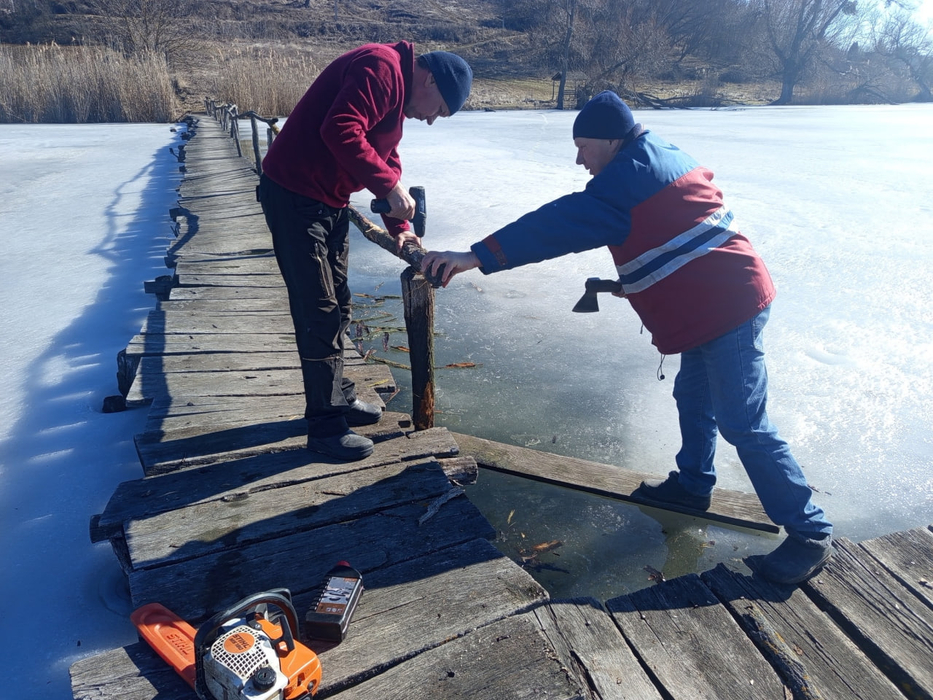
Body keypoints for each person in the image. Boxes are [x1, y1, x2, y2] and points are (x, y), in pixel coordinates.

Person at [421, 90, 833, 585]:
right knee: (693, 396)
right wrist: (635, 281)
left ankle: (809, 533)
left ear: (612, 141)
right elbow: (675, 228)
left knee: (744, 422)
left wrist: (476, 256)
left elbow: (556, 226)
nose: (579, 159)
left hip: (731, 307)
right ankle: (694, 486)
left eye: (584, 147)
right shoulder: (658, 155)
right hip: (719, 297)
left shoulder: (624, 182)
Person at [257, 42, 472, 461]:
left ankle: (338, 397)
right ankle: (324, 429)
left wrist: (403, 231)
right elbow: (340, 127)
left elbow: (384, 159)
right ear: (430, 79)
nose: (430, 120)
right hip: (293, 195)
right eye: (439, 110)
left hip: (327, 201)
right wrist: (390, 190)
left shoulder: (395, 93)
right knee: (317, 310)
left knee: (339, 303)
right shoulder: (382, 68)